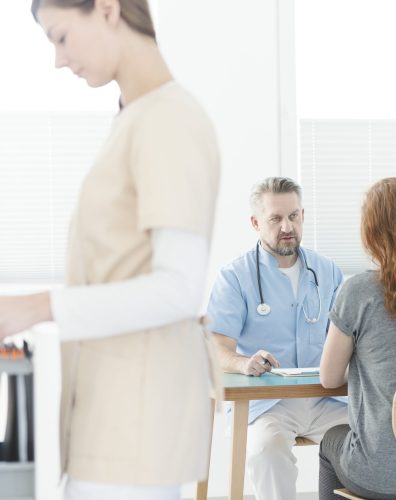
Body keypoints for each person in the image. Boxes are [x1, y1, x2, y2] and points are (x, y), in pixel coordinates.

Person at [0, 1, 220, 499]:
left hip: (137, 434)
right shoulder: (134, 119)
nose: (59, 59)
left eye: (60, 36)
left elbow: (180, 290)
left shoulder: (170, 121)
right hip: (111, 424)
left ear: (106, 9)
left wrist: (32, 308)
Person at [207, 176, 348, 500]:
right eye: (276, 218)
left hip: (327, 398)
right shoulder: (235, 277)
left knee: (371, 443)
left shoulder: (328, 271)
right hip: (268, 405)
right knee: (265, 451)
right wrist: (244, 363)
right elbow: (217, 347)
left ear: (303, 215)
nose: (287, 226)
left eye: (294, 216)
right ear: (256, 222)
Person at [318, 177, 396, 500]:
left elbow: (328, 379)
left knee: (331, 441)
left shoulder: (359, 291)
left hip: (378, 476)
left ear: (371, 234)